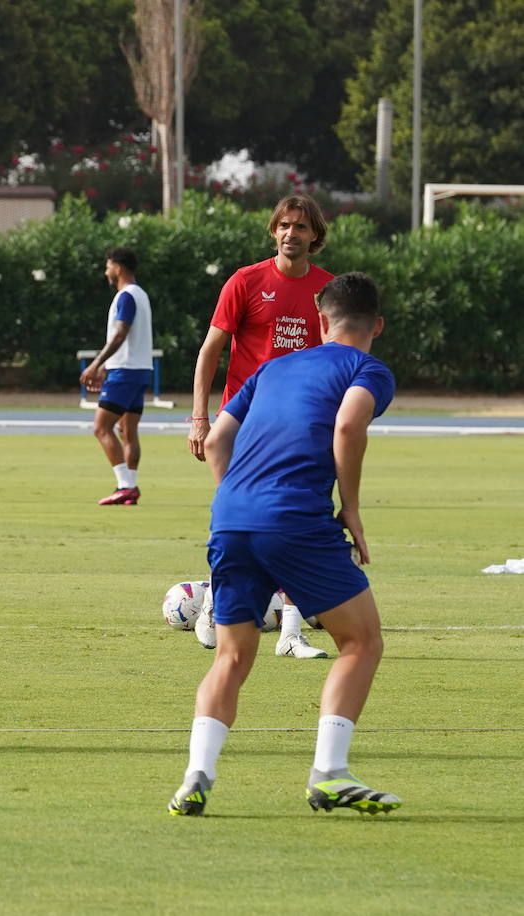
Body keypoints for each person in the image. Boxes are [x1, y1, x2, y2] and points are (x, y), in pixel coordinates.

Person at [168, 271, 401, 818]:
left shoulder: (272, 367)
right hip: (295, 518)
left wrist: (239, 502)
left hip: (229, 516)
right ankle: (329, 774)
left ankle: (196, 776)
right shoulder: (369, 369)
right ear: (379, 325)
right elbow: (347, 427)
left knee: (232, 655)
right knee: (361, 641)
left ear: (321, 321)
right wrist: (353, 509)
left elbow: (218, 438)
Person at [189, 193, 334, 659]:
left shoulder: (327, 292)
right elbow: (210, 352)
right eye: (284, 225)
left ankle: (291, 632)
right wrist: (199, 418)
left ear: (315, 236)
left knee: (297, 521)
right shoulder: (245, 281)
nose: (292, 233)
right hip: (241, 425)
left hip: (299, 427)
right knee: (235, 519)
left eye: (301, 227)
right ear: (274, 230)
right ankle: (217, 599)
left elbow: (335, 359)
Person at [79, 247, 152, 506]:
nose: (106, 271)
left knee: (101, 427)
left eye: (108, 266)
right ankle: (130, 486)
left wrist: (96, 364)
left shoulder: (126, 296)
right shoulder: (141, 294)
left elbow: (120, 334)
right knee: (127, 430)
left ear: (118, 268)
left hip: (125, 371)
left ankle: (125, 485)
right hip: (141, 370)